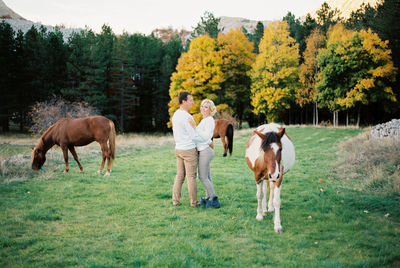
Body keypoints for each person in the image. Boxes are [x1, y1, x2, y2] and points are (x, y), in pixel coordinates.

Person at [188, 99, 220, 209]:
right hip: (204, 149)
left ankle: (213, 199)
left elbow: (206, 137)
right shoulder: (204, 120)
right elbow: (202, 137)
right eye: (202, 106)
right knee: (207, 176)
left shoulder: (209, 120)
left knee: (202, 176)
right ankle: (208, 197)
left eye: (206, 107)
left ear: (211, 109)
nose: (203, 108)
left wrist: (194, 127)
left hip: (205, 151)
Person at [171, 91, 199, 207]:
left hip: (178, 149)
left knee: (180, 176)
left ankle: (175, 201)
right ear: (184, 102)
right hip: (188, 149)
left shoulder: (175, 115)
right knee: (191, 177)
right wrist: (196, 127)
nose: (192, 102)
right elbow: (193, 135)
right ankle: (194, 203)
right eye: (190, 100)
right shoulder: (187, 117)